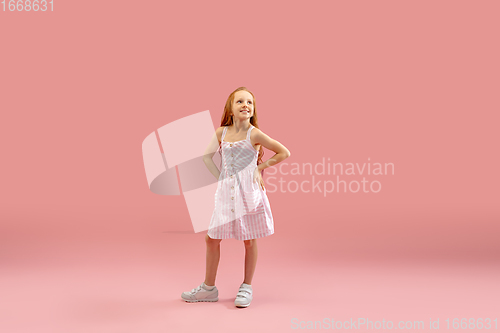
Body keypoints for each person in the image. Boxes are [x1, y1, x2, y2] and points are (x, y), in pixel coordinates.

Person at [181, 87, 291, 308]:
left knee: (249, 239)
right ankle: (208, 288)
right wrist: (221, 178)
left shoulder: (255, 133)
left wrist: (260, 168)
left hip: (248, 192)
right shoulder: (221, 132)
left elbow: (284, 152)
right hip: (226, 193)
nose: (245, 105)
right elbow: (206, 157)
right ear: (230, 109)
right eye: (239, 101)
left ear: (253, 110)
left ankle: (246, 286)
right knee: (212, 238)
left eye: (249, 102)